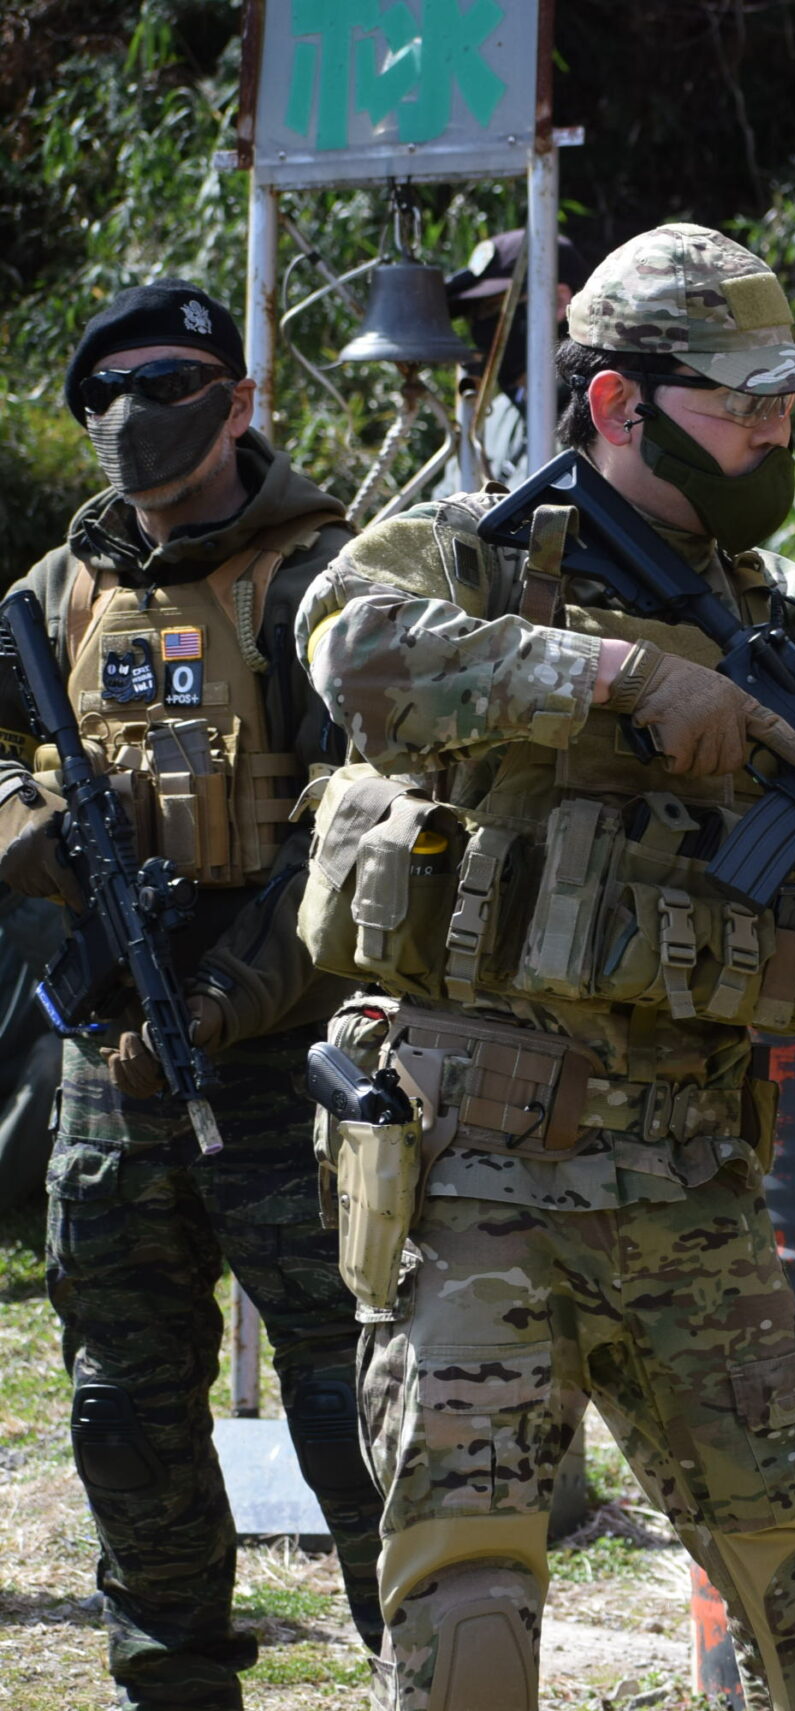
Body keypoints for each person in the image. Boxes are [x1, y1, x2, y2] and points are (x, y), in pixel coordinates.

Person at [295, 221, 795, 1711]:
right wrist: (615, 674)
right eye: (742, 400)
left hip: (689, 1177)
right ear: (617, 405)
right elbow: (345, 646)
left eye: (785, 402)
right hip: (474, 1165)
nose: (776, 432)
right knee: (472, 1617)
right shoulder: (472, 550)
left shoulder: (791, 626)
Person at [0, 280, 380, 1709]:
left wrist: (222, 1000)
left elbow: (362, 830)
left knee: (353, 1399)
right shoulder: (62, 588)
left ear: (237, 401)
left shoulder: (318, 581)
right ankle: (168, 1675)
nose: (132, 414)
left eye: (167, 383)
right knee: (123, 1399)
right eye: (104, 390)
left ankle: (424, 1662)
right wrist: (24, 824)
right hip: (112, 1062)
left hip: (289, 1069)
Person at [432, 227, 587, 496]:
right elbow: (444, 502)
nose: (480, 327)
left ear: (558, 301)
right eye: (473, 317)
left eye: (494, 309)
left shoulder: (605, 411)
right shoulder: (492, 417)